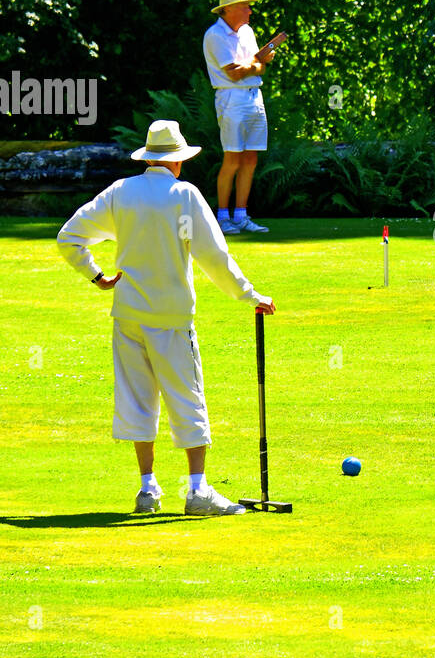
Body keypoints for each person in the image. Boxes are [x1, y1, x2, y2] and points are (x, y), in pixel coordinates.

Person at [56, 120, 276, 516]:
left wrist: (97, 276)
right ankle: (197, 491)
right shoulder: (183, 195)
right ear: (177, 161)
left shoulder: (121, 192)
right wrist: (250, 295)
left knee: (137, 397)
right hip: (171, 317)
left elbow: (68, 236)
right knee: (187, 397)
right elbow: (214, 257)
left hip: (128, 314)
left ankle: (147, 488)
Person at [203, 0, 286, 235]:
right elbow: (235, 74)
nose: (249, 11)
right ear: (229, 9)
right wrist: (256, 63)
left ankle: (241, 215)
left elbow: (258, 69)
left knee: (250, 158)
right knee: (232, 157)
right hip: (231, 98)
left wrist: (254, 64)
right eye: (244, 6)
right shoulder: (215, 35)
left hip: (254, 97)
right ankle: (223, 217)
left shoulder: (247, 31)